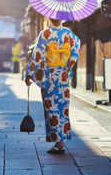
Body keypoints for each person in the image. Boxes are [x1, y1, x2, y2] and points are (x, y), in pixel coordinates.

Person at [25, 18, 80, 154]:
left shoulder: (45, 34)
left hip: (49, 76)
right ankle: (61, 139)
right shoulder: (68, 33)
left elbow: (37, 55)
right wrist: (69, 65)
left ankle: (59, 142)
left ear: (49, 18)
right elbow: (76, 47)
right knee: (63, 109)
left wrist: (30, 74)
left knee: (51, 109)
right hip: (63, 77)